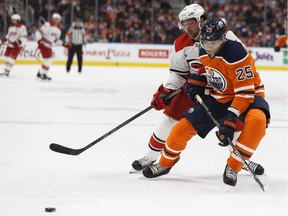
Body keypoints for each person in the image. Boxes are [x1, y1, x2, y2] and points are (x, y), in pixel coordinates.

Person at [131, 4, 264, 175]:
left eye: (191, 23)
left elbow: (240, 66)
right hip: (193, 88)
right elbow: (178, 73)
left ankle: (241, 160)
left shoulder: (225, 36)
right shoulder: (180, 43)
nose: (187, 27)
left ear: (201, 20)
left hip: (223, 90)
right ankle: (150, 157)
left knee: (235, 125)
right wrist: (167, 90)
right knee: (170, 122)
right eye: (184, 23)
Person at [36, 13, 63, 81]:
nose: (56, 20)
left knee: (48, 60)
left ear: (59, 20)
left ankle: (43, 73)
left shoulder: (59, 29)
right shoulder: (47, 24)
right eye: (55, 19)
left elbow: (56, 40)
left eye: (57, 19)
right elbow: (39, 32)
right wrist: (39, 41)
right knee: (48, 60)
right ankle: (40, 73)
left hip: (49, 46)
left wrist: (64, 44)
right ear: (52, 19)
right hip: (43, 44)